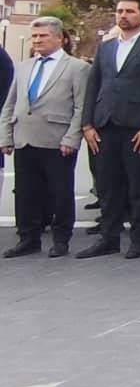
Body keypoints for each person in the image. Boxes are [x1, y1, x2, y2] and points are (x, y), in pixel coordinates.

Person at [78, 0, 140, 260]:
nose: (123, 16)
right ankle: (108, 238)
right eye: (120, 11)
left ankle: (138, 240)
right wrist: (87, 124)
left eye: (130, 11)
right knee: (107, 186)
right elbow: (93, 86)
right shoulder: (106, 47)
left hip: (136, 127)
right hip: (105, 125)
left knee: (138, 187)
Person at [1, 17, 89, 258]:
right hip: (25, 138)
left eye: (43, 36)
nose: (37, 40)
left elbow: (81, 107)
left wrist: (72, 138)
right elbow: (10, 104)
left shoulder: (77, 68)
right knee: (26, 191)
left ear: (60, 38)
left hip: (57, 141)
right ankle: (27, 238)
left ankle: (61, 239)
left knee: (60, 192)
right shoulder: (24, 66)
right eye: (35, 36)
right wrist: (5, 136)